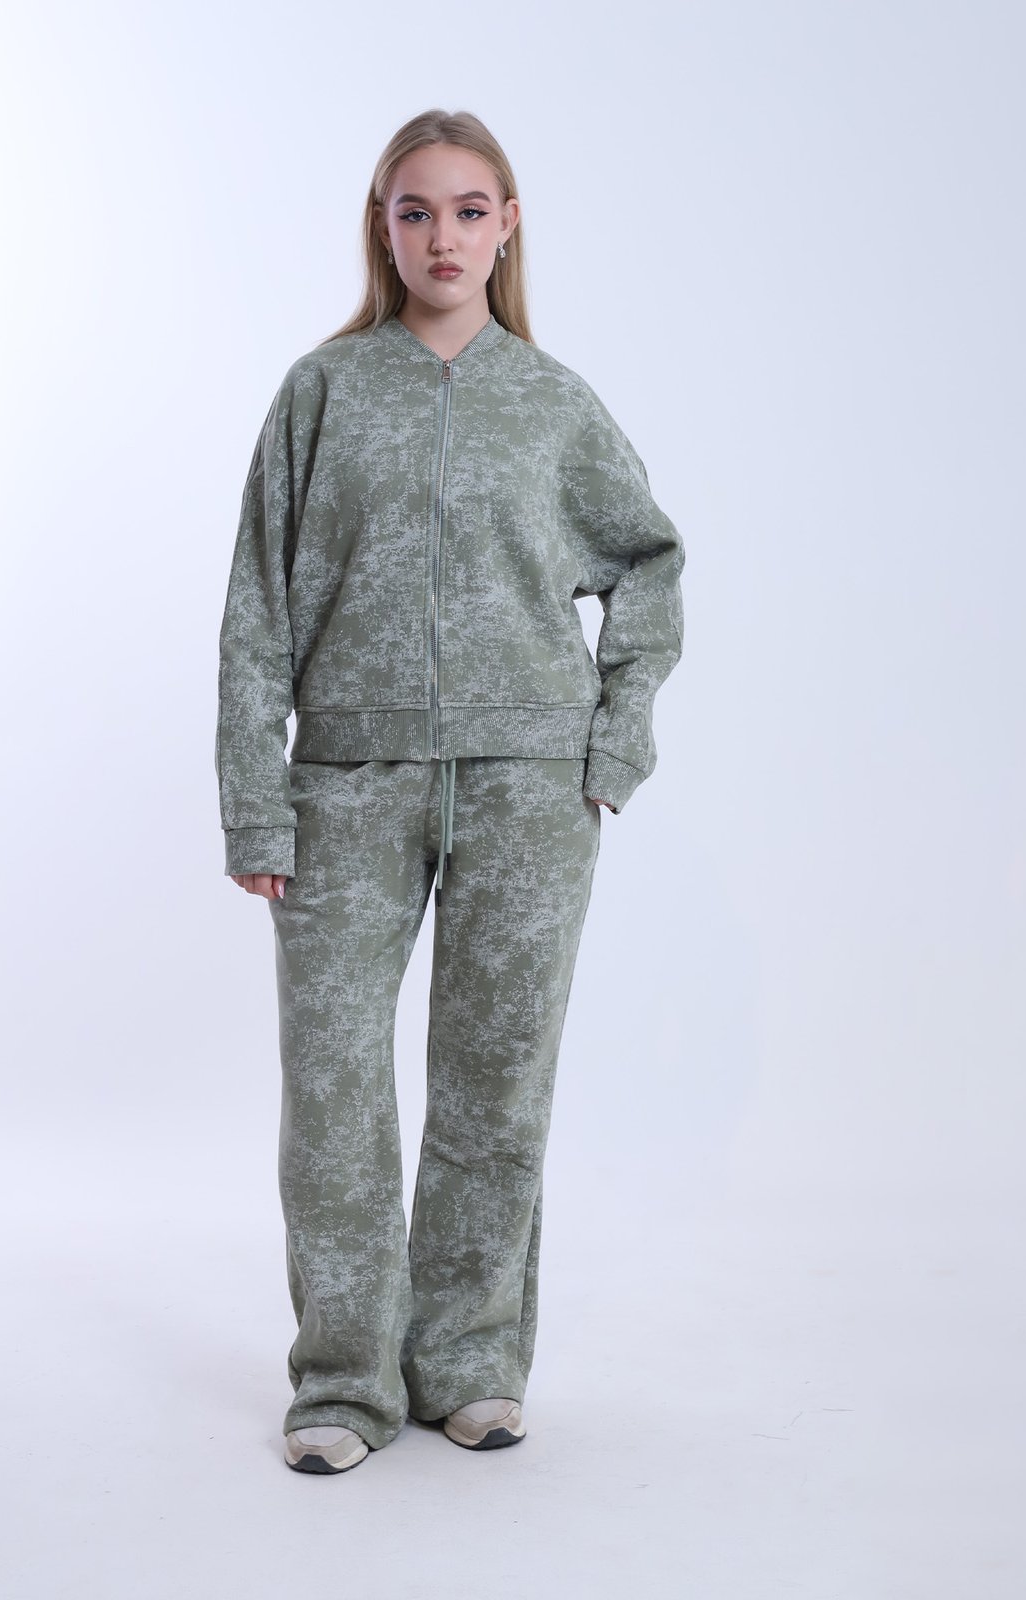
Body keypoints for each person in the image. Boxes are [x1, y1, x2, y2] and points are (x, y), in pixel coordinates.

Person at [215, 108, 686, 1474]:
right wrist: (255, 797)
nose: (443, 236)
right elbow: (256, 608)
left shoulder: (554, 403)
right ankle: (343, 1381)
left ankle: (471, 1365)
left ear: (508, 226)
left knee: (495, 1087)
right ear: (383, 225)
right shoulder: (321, 391)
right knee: (334, 1091)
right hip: (346, 787)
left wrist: (613, 747)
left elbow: (650, 564)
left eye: (470, 210)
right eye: (415, 210)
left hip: (529, 790)